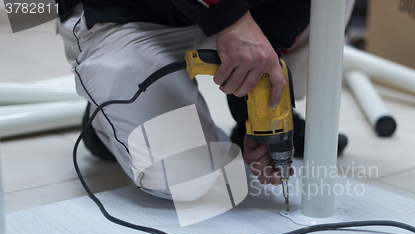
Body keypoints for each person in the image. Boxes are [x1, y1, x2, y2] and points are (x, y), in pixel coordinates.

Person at [55, 0, 354, 199]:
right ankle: (104, 122)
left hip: (245, 11)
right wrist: (229, 17)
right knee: (197, 181)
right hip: (128, 14)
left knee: (329, 4)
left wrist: (259, 116)